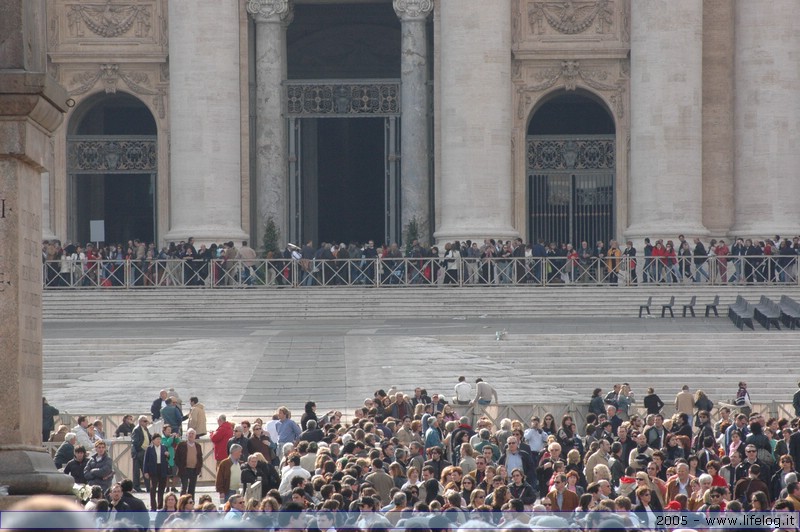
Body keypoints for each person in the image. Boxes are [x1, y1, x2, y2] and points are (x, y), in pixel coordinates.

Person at [143, 433, 170, 510]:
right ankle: (153, 506)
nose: (159, 441)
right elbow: (146, 461)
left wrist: (168, 455)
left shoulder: (164, 447)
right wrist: (146, 472)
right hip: (153, 470)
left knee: (162, 489)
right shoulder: (149, 449)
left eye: (160, 439)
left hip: (162, 469)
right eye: (157, 439)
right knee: (153, 489)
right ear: (153, 441)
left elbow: (168, 458)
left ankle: (160, 506)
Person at [175, 428, 203, 497]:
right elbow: (176, 457)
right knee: (184, 488)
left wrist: (199, 468)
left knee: (192, 489)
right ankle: (182, 504)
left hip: (194, 470)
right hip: (184, 469)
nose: (191, 435)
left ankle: (191, 504)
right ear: (186, 435)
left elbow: (200, 458)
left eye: (192, 434)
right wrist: (180, 467)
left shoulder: (198, 446)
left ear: (195, 435)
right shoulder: (181, 445)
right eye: (189, 433)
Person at [130, 415, 151, 493]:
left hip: (145, 452)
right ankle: (136, 487)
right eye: (145, 421)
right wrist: (141, 450)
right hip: (139, 453)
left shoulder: (145, 429)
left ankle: (149, 487)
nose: (146, 423)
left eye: (147, 421)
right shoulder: (137, 429)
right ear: (140, 422)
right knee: (136, 471)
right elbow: (135, 442)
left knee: (146, 470)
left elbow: (149, 438)